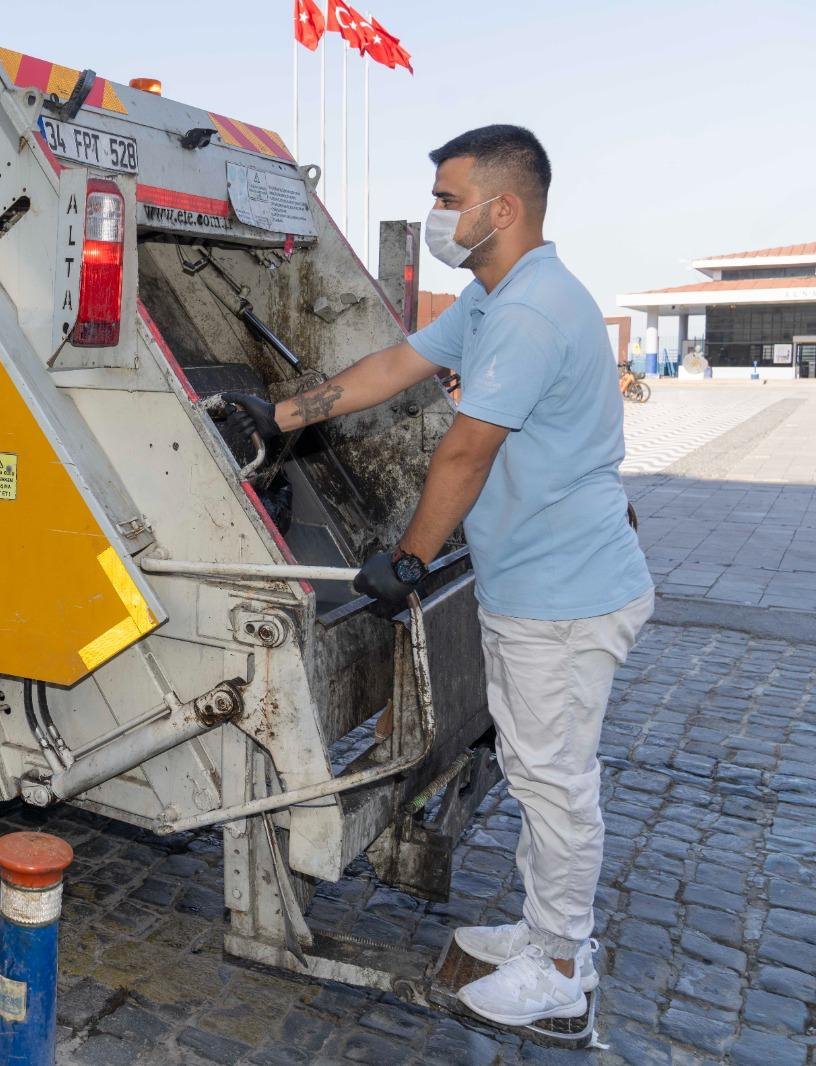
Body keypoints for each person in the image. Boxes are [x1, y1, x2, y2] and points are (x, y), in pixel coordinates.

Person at [224, 124, 652, 1027]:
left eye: (450, 200)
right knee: (543, 771)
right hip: (537, 583)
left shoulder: (532, 312)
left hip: (565, 595)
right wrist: (283, 414)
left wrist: (410, 560)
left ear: (503, 208)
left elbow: (464, 450)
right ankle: (545, 933)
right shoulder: (497, 296)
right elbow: (397, 364)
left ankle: (563, 969)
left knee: (555, 780)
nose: (437, 216)